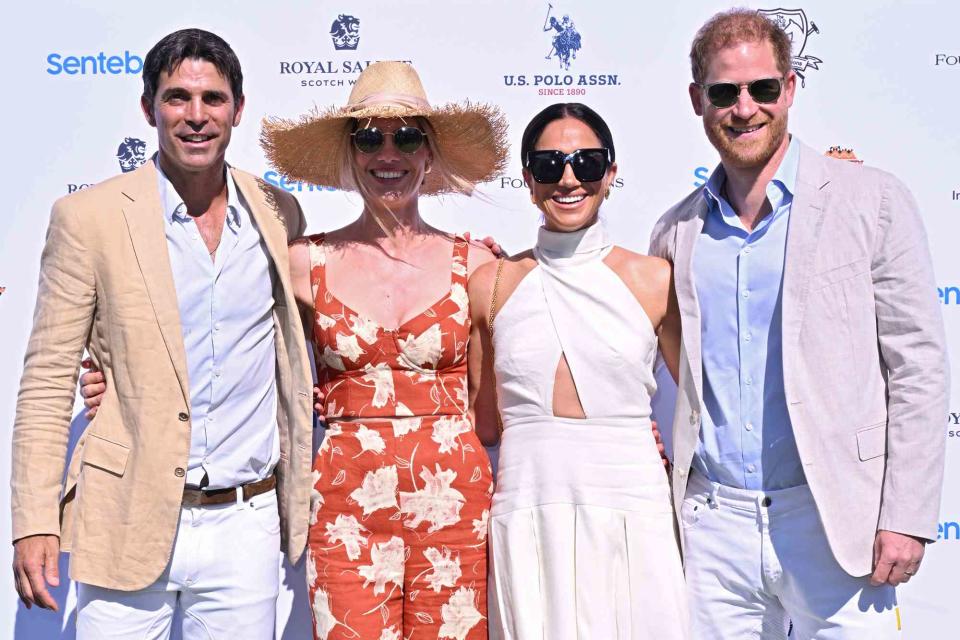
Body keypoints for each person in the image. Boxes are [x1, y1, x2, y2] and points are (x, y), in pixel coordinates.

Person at [648, 9, 948, 639]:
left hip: (840, 519)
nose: (745, 108)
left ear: (789, 88)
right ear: (698, 100)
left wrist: (907, 513)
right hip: (713, 529)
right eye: (726, 92)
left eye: (761, 89)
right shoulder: (676, 232)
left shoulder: (873, 200)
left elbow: (917, 366)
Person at [10, 28, 313, 638]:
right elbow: (46, 380)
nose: (196, 116)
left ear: (238, 109)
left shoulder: (279, 212)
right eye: (177, 98)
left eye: (213, 99)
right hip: (126, 514)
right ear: (148, 108)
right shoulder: (87, 218)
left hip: (245, 523)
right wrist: (33, 519)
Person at [261, 60, 506, 639]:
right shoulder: (303, 264)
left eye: (407, 136)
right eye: (369, 137)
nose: (388, 154)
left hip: (457, 505)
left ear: (429, 152)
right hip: (347, 504)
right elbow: (224, 338)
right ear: (350, 153)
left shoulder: (476, 264)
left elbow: (495, 396)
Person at [469, 103, 689, 639]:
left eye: (587, 163)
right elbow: (483, 423)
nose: (569, 179)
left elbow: (709, 400)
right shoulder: (491, 284)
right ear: (527, 179)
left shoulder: (654, 279)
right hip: (529, 505)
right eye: (549, 165)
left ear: (610, 174)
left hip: (632, 506)